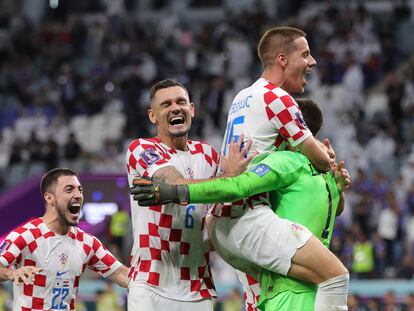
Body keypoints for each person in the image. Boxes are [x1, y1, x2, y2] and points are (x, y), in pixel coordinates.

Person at [131, 99, 351, 311]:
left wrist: (176, 192)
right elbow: (331, 210)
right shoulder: (321, 172)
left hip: (292, 291)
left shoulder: (288, 162)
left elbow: (237, 186)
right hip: (302, 288)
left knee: (337, 276)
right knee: (336, 276)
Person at [125, 79, 251, 311]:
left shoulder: (209, 155)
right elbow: (175, 183)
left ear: (192, 110)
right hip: (150, 284)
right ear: (152, 116)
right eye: (166, 104)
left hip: (197, 288)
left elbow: (218, 216)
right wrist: (229, 177)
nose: (175, 108)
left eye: (181, 102)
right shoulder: (142, 149)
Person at [0, 168, 128, 311]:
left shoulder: (88, 243)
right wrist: (12, 273)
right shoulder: (26, 235)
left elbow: (122, 274)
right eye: (69, 190)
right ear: (49, 198)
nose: (78, 195)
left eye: (80, 190)